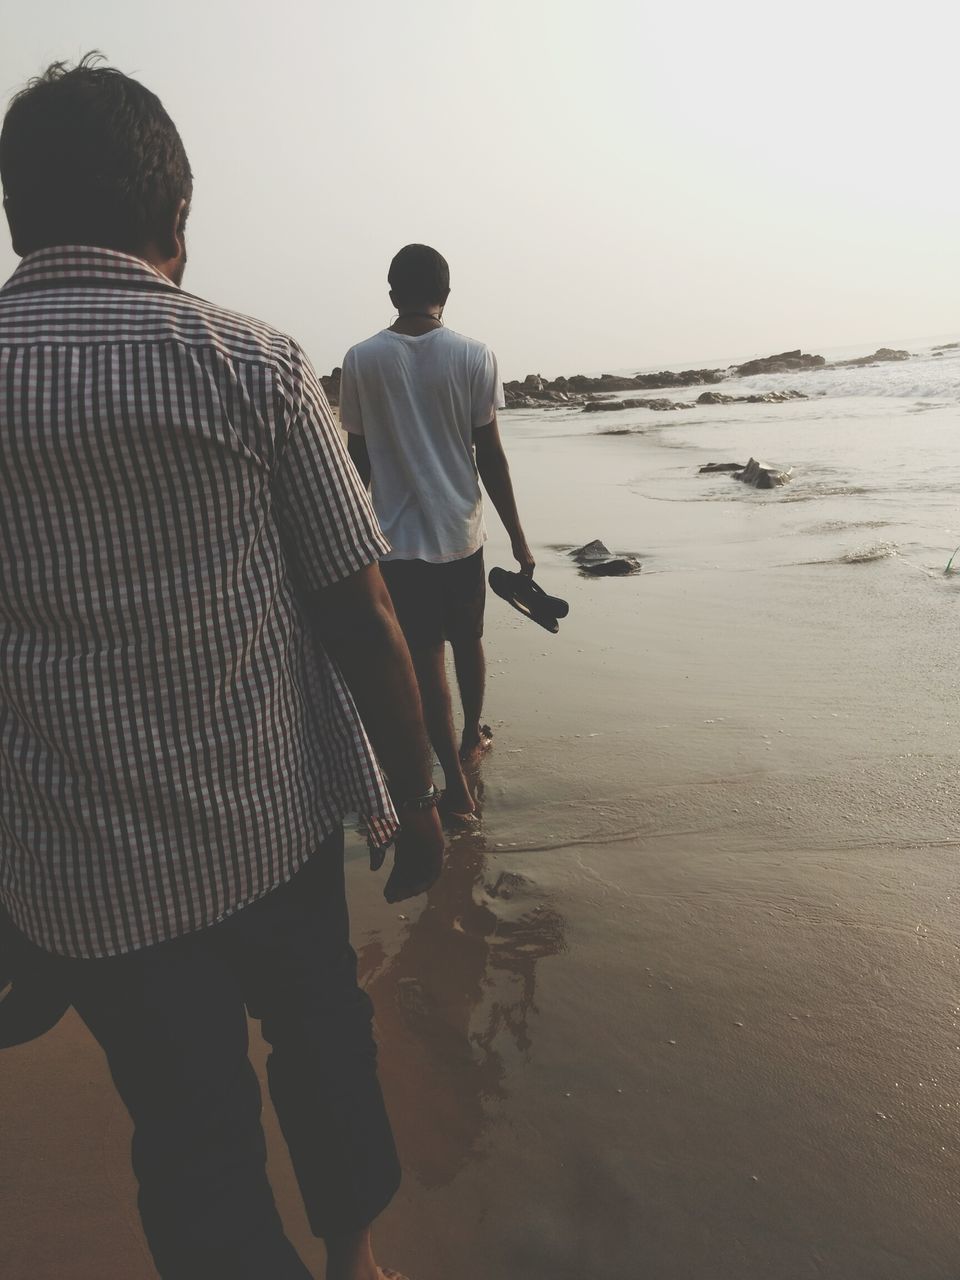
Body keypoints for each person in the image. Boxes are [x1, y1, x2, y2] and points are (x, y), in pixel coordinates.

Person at [0, 55, 444, 1280]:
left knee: (189, 1134)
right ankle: (355, 1254)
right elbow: (361, 611)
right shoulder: (252, 363)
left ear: (16, 209)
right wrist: (415, 804)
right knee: (322, 1048)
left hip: (85, 882)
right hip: (269, 830)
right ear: (177, 220)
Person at [341, 245, 534, 821]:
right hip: (461, 532)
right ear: (445, 296)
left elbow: (358, 459)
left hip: (396, 541)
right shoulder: (475, 355)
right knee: (468, 640)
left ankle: (453, 783)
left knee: (425, 659)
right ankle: (473, 735)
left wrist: (346, 539)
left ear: (393, 293)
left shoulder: (362, 359)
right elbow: (491, 456)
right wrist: (519, 540)